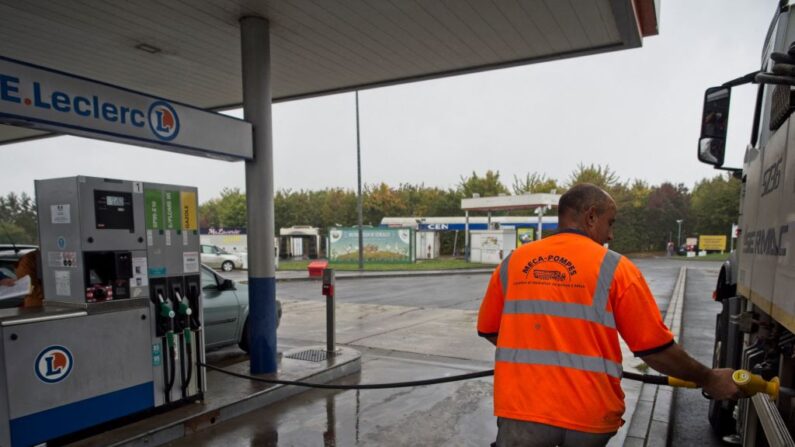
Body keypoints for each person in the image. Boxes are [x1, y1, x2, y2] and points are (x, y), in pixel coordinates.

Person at [477, 183, 739, 447]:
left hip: (522, 412)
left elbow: (489, 329)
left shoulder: (513, 262)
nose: (611, 234)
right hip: (589, 418)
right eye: (610, 223)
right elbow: (656, 350)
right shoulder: (616, 268)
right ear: (591, 216)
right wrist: (710, 378)